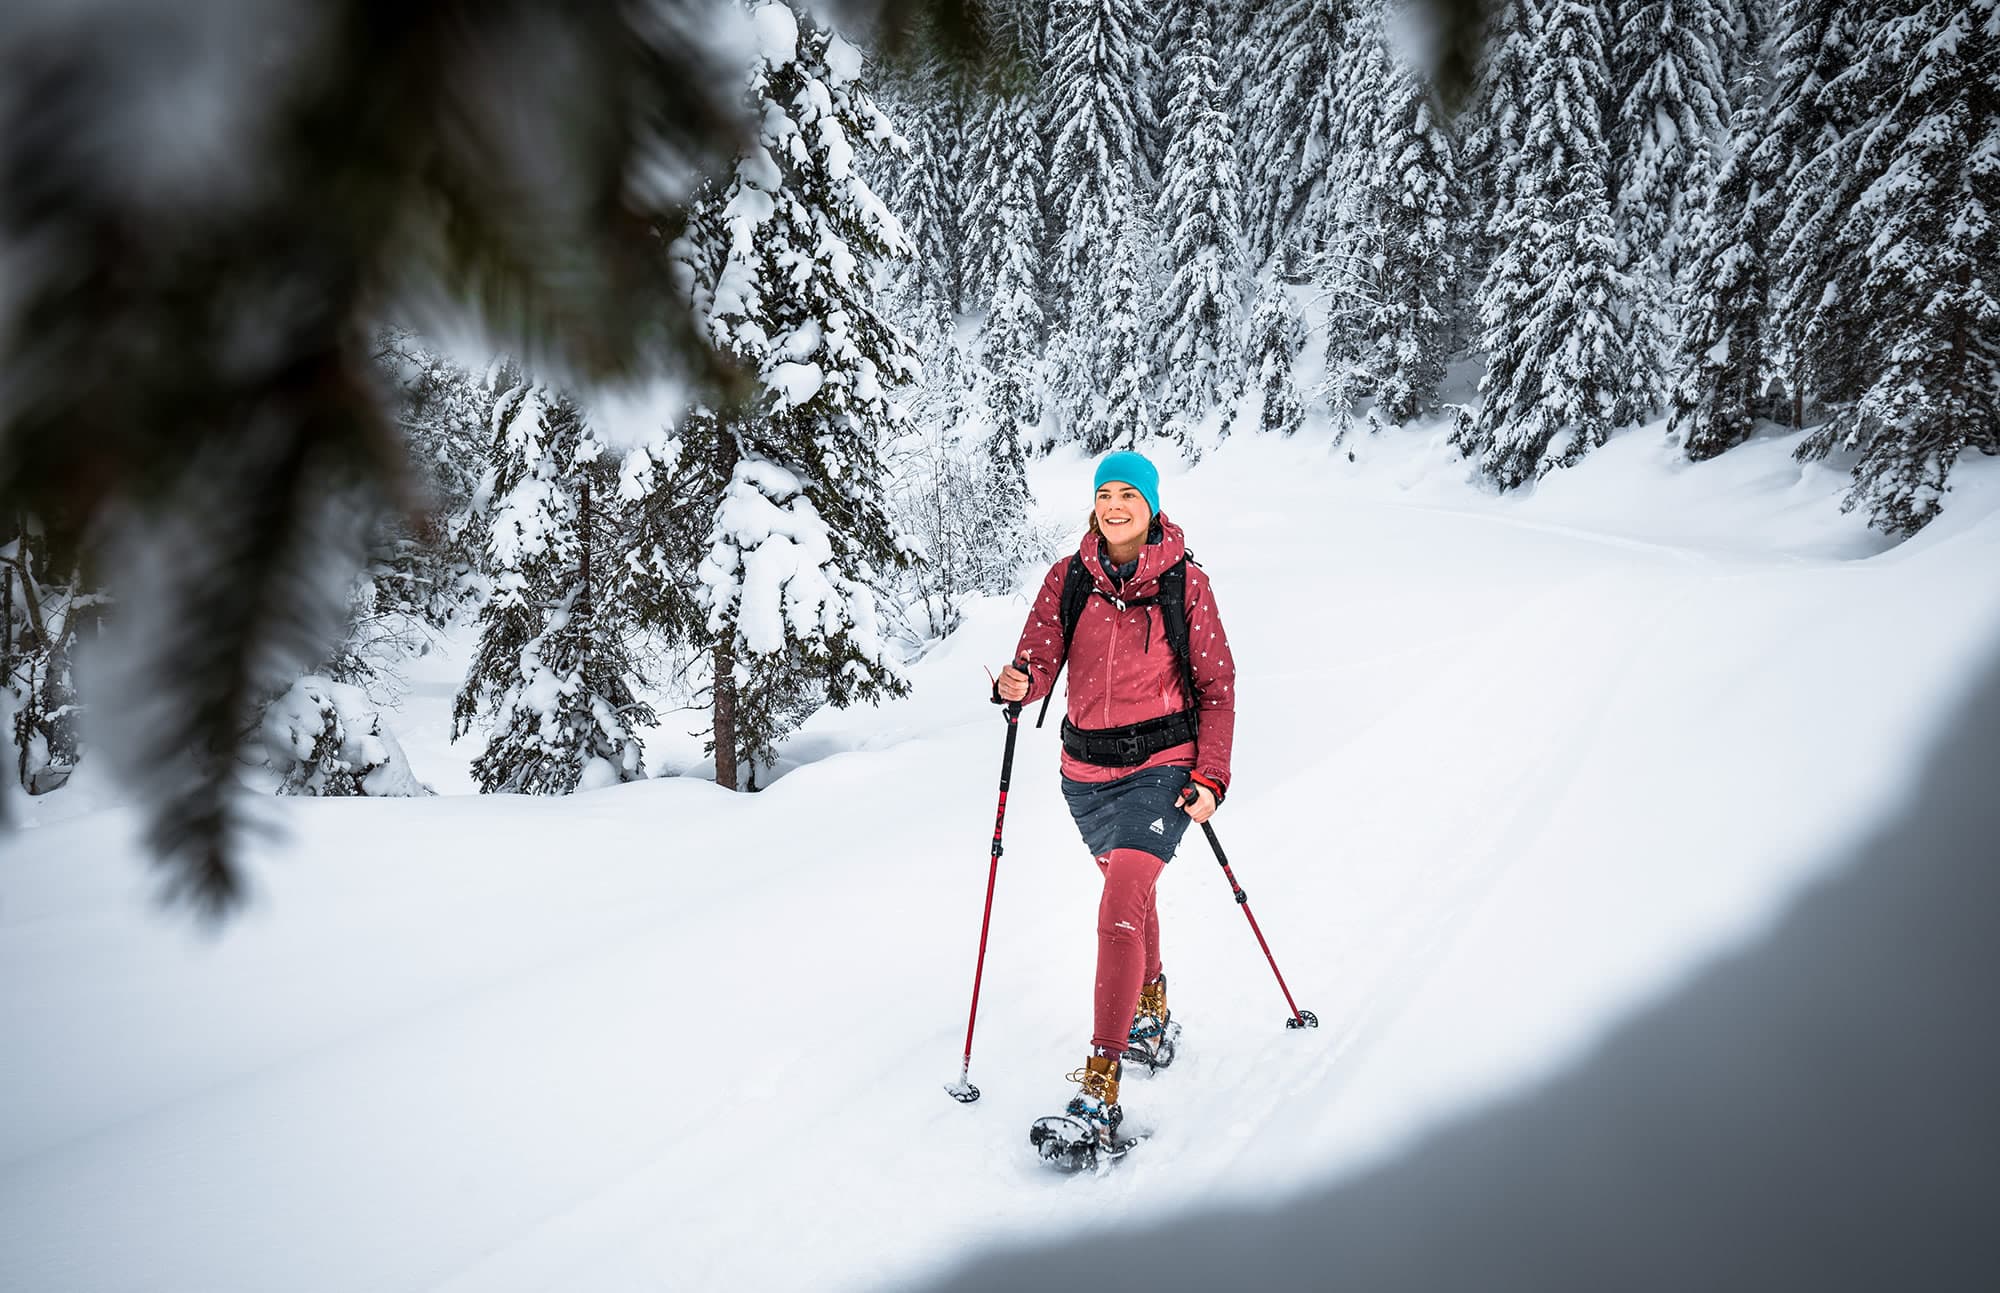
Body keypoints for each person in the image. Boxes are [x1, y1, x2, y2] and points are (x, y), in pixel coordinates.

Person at [994, 450, 1237, 1153]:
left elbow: (1217, 688)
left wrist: (1211, 777)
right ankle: (1151, 1011)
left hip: (1162, 767)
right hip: (1085, 773)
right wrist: (1019, 683)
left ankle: (1101, 1085)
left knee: (1119, 902)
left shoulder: (1186, 584)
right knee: (1129, 896)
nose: (1116, 505)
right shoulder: (1070, 577)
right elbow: (1038, 659)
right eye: (1106, 494)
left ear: (1152, 504)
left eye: (1130, 493)